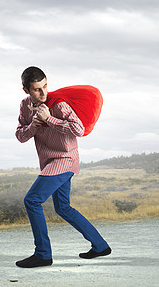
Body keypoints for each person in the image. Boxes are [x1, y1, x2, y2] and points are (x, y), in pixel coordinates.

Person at [14, 66, 111, 268]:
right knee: (63, 208)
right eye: (36, 89)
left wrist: (49, 119)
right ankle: (100, 246)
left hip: (65, 159)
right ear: (26, 91)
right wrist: (34, 124)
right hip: (49, 161)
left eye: (45, 86)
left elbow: (78, 129)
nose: (43, 93)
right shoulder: (24, 105)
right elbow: (20, 136)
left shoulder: (59, 104)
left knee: (32, 200)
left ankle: (43, 254)